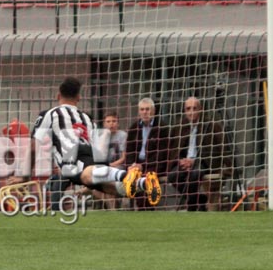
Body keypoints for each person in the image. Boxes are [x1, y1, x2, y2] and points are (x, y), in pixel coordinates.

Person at [32, 77, 161, 208]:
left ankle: (126, 175)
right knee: (111, 188)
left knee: (85, 176)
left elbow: (34, 143)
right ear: (78, 97)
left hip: (74, 155)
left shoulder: (49, 114)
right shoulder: (86, 118)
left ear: (58, 95)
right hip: (92, 154)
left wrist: (29, 169)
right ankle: (144, 183)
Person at [168, 97, 230, 211]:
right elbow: (173, 149)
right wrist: (180, 160)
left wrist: (194, 161)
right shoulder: (179, 127)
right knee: (172, 175)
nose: (191, 112)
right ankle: (199, 200)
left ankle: (192, 205)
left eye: (194, 108)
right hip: (185, 162)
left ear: (200, 109)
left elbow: (218, 149)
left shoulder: (210, 125)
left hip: (203, 162)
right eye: (188, 109)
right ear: (184, 111)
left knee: (195, 174)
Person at [90, 112, 128, 209]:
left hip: (118, 166)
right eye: (108, 121)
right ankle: (111, 206)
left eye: (114, 121)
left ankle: (113, 208)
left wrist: (111, 165)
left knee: (109, 179)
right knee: (93, 182)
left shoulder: (123, 135)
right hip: (104, 166)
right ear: (104, 124)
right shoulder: (100, 136)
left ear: (118, 123)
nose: (111, 124)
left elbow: (123, 158)